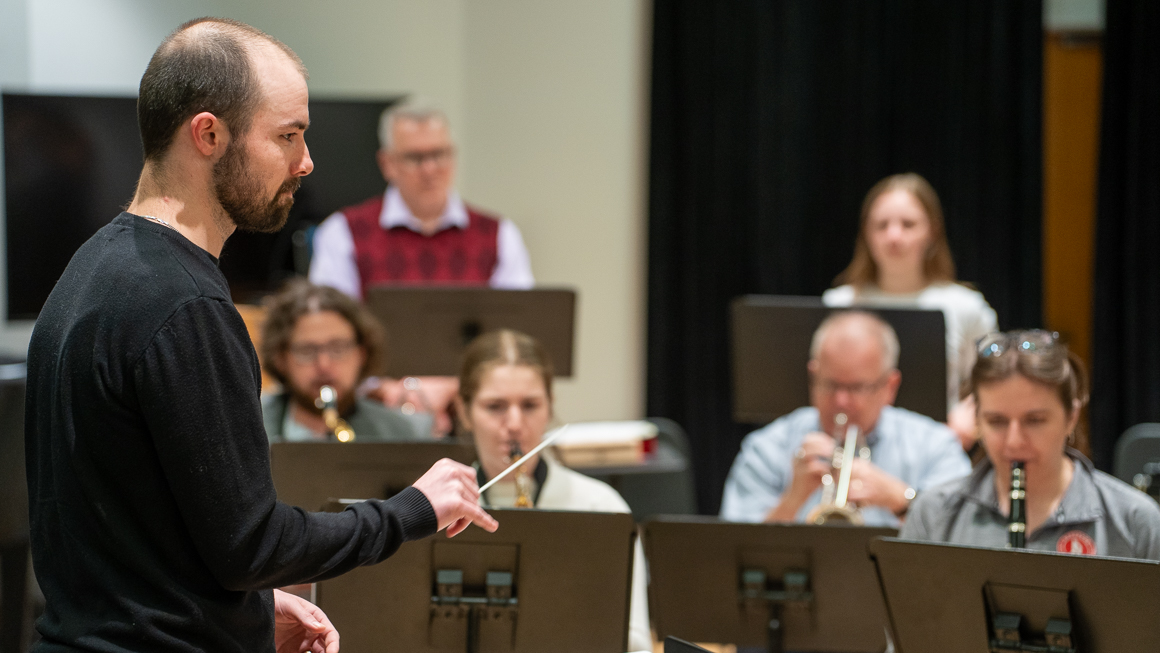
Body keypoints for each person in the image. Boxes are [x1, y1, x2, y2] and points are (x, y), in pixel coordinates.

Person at [24, 18, 497, 653]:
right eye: (287, 136)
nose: (306, 162)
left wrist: (237, 611)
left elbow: (139, 533)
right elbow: (253, 546)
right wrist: (412, 510)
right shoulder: (185, 304)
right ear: (209, 134)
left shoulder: (96, 265)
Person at [455, 329, 652, 653]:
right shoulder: (442, 512)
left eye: (530, 405)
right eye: (495, 406)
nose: (515, 423)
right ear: (464, 412)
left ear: (550, 407)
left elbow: (635, 642)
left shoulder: (600, 507)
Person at [900, 331, 1160, 559]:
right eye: (997, 421)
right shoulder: (933, 514)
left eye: (1035, 420)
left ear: (1071, 417)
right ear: (977, 419)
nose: (1014, 441)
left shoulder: (1136, 521)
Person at [720, 311, 971, 527]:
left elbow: (963, 537)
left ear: (890, 386)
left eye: (856, 388)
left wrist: (903, 501)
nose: (841, 401)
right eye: (830, 385)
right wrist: (792, 500)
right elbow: (731, 551)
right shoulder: (767, 446)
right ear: (812, 376)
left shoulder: (936, 445)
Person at [822, 173, 998, 454]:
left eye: (908, 224)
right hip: (851, 450)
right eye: (881, 225)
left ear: (932, 231)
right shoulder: (838, 303)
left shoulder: (966, 306)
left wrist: (969, 421)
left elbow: (994, 381)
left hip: (938, 450)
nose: (894, 236)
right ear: (866, 234)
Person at [308, 100, 534, 297]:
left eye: (439, 154)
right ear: (387, 164)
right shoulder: (342, 232)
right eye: (415, 158)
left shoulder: (500, 235)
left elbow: (517, 320)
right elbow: (330, 326)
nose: (429, 169)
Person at [259, 278, 430, 442]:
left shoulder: (408, 431)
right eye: (307, 351)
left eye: (338, 348)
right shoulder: (249, 423)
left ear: (362, 353)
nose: (324, 365)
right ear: (280, 358)